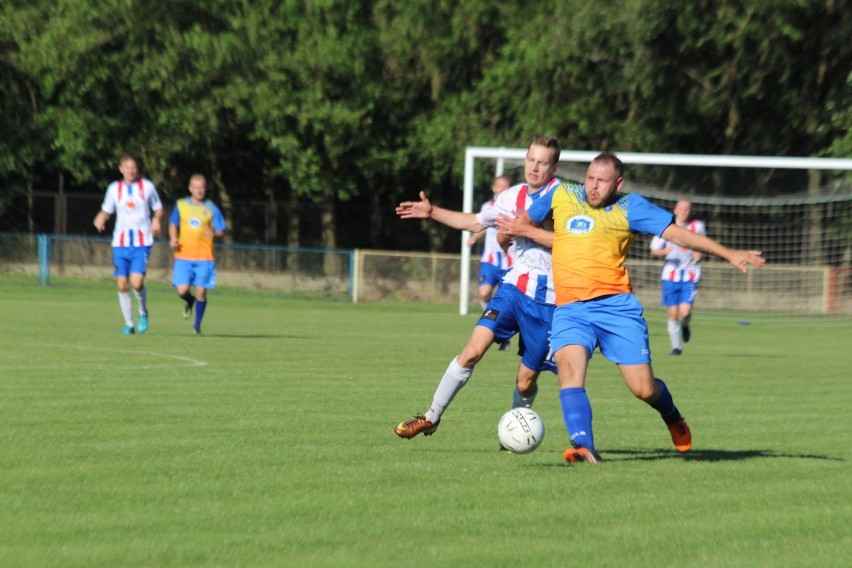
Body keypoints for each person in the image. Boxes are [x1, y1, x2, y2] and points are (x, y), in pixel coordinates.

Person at [521, 152, 765, 464]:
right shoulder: (562, 193)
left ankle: (672, 415)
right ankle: (584, 447)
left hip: (616, 309)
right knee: (569, 373)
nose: (593, 186)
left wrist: (728, 253)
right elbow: (528, 218)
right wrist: (515, 230)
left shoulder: (630, 207)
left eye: (602, 181)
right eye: (590, 178)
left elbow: (680, 235)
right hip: (570, 308)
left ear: (617, 183)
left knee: (643, 388)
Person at [393, 135, 562, 442]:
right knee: (472, 351)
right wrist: (433, 213)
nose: (535, 167)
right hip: (513, 289)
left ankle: (516, 432)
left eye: (542, 162)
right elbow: (474, 223)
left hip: (550, 299)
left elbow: (575, 243)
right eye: (531, 160)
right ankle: (430, 417)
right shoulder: (510, 197)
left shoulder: (565, 198)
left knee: (526, 382)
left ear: (554, 166)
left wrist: (528, 231)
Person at [93, 153, 163, 335]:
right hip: (120, 243)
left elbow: (158, 208)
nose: (131, 171)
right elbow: (107, 210)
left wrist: (156, 220)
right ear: (121, 169)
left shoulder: (147, 187)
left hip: (142, 242)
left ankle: (143, 312)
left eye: (134, 167)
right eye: (127, 167)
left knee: (137, 283)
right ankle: (129, 324)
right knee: (122, 284)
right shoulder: (113, 189)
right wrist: (101, 217)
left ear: (137, 169)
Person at [168, 174, 226, 335]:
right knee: (182, 290)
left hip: (204, 257)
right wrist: (173, 238)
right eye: (196, 187)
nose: (199, 190)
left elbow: (221, 229)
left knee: (201, 291)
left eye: (202, 187)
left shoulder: (211, 207)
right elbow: (173, 224)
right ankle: (189, 300)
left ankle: (197, 325)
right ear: (190, 188)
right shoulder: (181, 205)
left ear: (205, 189)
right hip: (183, 255)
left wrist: (214, 232)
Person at [649, 199, 706, 355]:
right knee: (673, 314)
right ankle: (676, 348)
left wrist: (699, 252)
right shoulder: (666, 228)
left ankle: (685, 325)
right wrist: (663, 252)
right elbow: (653, 250)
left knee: (685, 313)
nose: (684, 211)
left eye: (687, 209)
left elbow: (704, 244)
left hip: (690, 274)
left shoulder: (697, 227)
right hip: (670, 275)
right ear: (675, 210)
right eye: (681, 208)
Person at [467, 175, 517, 350]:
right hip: (490, 259)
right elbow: (482, 225)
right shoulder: (486, 207)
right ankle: (490, 327)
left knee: (506, 300)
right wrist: (474, 238)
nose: (502, 189)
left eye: (506, 186)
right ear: (494, 188)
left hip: (510, 259)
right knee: (484, 294)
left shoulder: (515, 208)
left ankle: (499, 330)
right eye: (499, 186)